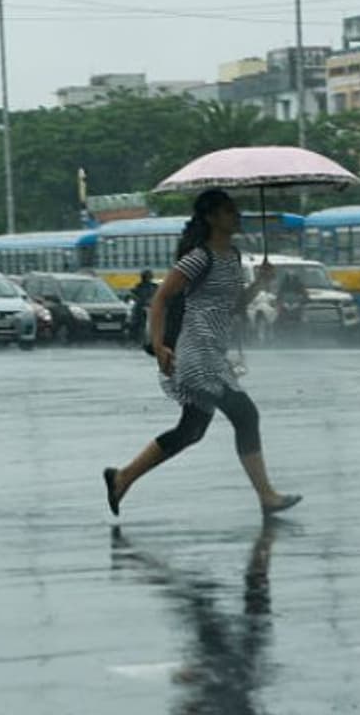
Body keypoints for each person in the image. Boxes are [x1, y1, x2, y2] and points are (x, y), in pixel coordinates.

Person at [104, 189, 301, 518]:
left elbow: (233, 307)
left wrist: (260, 284)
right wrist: (158, 345)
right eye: (228, 211)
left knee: (191, 430)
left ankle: (122, 477)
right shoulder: (199, 257)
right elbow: (160, 300)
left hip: (215, 354)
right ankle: (266, 496)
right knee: (246, 415)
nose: (236, 216)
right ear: (211, 217)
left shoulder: (233, 256)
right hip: (195, 355)